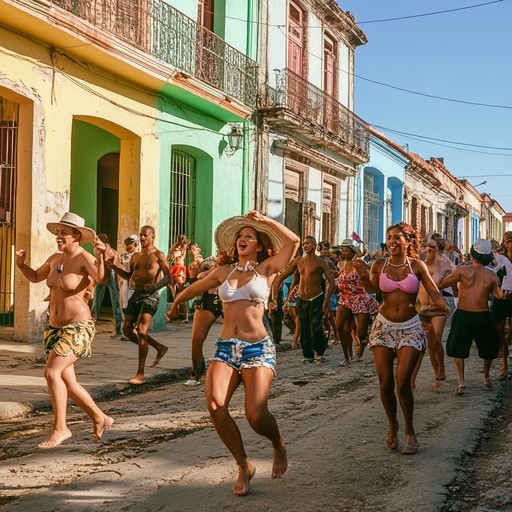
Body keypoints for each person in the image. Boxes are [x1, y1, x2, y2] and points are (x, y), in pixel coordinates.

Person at [168, 211, 299, 496]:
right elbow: (195, 288)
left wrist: (264, 221)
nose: (243, 239)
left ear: (260, 244)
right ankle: (244, 465)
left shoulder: (267, 270)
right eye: (240, 236)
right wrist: (175, 302)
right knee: (215, 406)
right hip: (226, 347)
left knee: (255, 414)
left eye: (249, 236)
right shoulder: (223, 272)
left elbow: (293, 243)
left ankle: (278, 444)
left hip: (257, 347)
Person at [15, 212, 114, 449]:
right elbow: (37, 277)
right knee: (67, 382)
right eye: (58, 232)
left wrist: (100, 255)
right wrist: (21, 265)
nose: (59, 236)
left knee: (51, 372)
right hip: (55, 330)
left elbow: (101, 278)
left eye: (64, 233)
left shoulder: (84, 258)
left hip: (77, 328)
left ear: (76, 236)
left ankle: (61, 428)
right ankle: (100, 418)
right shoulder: (55, 258)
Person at [353, 222, 448, 455]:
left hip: (410, 328)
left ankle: (409, 429)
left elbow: (434, 291)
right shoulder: (379, 264)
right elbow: (371, 288)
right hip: (383, 327)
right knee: (385, 382)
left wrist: (442, 307)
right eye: (389, 237)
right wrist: (362, 274)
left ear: (408, 241)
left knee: (403, 382)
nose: (392, 242)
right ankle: (392, 424)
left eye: (397, 237)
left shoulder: (417, 266)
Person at [439, 239, 503, 395]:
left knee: (458, 349)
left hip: (464, 314)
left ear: (472, 254)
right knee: (488, 350)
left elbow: (441, 284)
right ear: (488, 257)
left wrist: (445, 275)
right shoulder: (492, 275)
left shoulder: (462, 271)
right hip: (483, 315)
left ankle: (461, 382)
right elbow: (498, 296)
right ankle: (486, 378)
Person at [109, 225, 170, 384]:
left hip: (151, 295)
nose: (142, 238)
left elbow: (167, 277)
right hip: (137, 294)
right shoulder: (135, 256)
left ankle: (140, 374)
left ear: (152, 237)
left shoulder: (158, 255)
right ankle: (159, 347)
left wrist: (155, 286)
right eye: (141, 235)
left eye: (145, 236)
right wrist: (114, 267)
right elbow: (129, 276)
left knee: (141, 330)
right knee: (127, 330)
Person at [274, 236, 336, 363]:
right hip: (301, 298)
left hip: (316, 297)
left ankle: (319, 352)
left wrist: (327, 300)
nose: (305, 246)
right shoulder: (299, 261)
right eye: (303, 244)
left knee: (316, 326)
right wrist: (274, 295)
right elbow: (282, 276)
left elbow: (331, 281)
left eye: (307, 243)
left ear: (313, 245)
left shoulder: (321, 262)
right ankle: (307, 355)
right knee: (304, 327)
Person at [171, 254, 225, 387]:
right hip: (208, 299)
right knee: (197, 338)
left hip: (229, 300)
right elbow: (196, 275)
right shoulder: (210, 262)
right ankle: (195, 372)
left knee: (232, 338)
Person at [415, 237, 454, 388]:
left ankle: (442, 368)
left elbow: (458, 276)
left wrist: (452, 287)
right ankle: (437, 372)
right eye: (427, 246)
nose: (428, 249)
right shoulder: (419, 264)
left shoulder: (444, 264)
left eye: (432, 247)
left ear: (438, 250)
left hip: (438, 308)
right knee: (430, 342)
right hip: (422, 308)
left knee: (436, 339)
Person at [336, 239, 379, 365]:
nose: (343, 253)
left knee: (361, 333)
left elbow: (371, 271)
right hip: (345, 298)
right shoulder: (340, 264)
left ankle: (361, 348)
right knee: (340, 326)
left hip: (360, 298)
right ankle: (347, 356)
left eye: (346, 251)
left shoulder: (359, 263)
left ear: (352, 251)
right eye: (342, 251)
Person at [91, 234, 123, 338]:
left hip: (110, 276)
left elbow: (112, 265)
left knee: (115, 303)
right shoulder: (98, 250)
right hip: (101, 277)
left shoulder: (111, 251)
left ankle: (118, 330)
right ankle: (92, 328)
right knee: (96, 303)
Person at [492, 231, 512, 379]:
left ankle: (508, 340)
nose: (508, 244)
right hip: (501, 297)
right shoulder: (500, 259)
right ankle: (503, 362)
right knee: (499, 329)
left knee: (510, 330)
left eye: (510, 241)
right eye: (507, 241)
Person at [167, 234, 190, 321]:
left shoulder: (183, 247)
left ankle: (185, 313)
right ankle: (175, 312)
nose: (180, 239)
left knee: (181, 291)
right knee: (173, 291)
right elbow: (170, 256)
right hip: (173, 267)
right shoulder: (175, 245)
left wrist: (174, 254)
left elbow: (177, 254)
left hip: (179, 268)